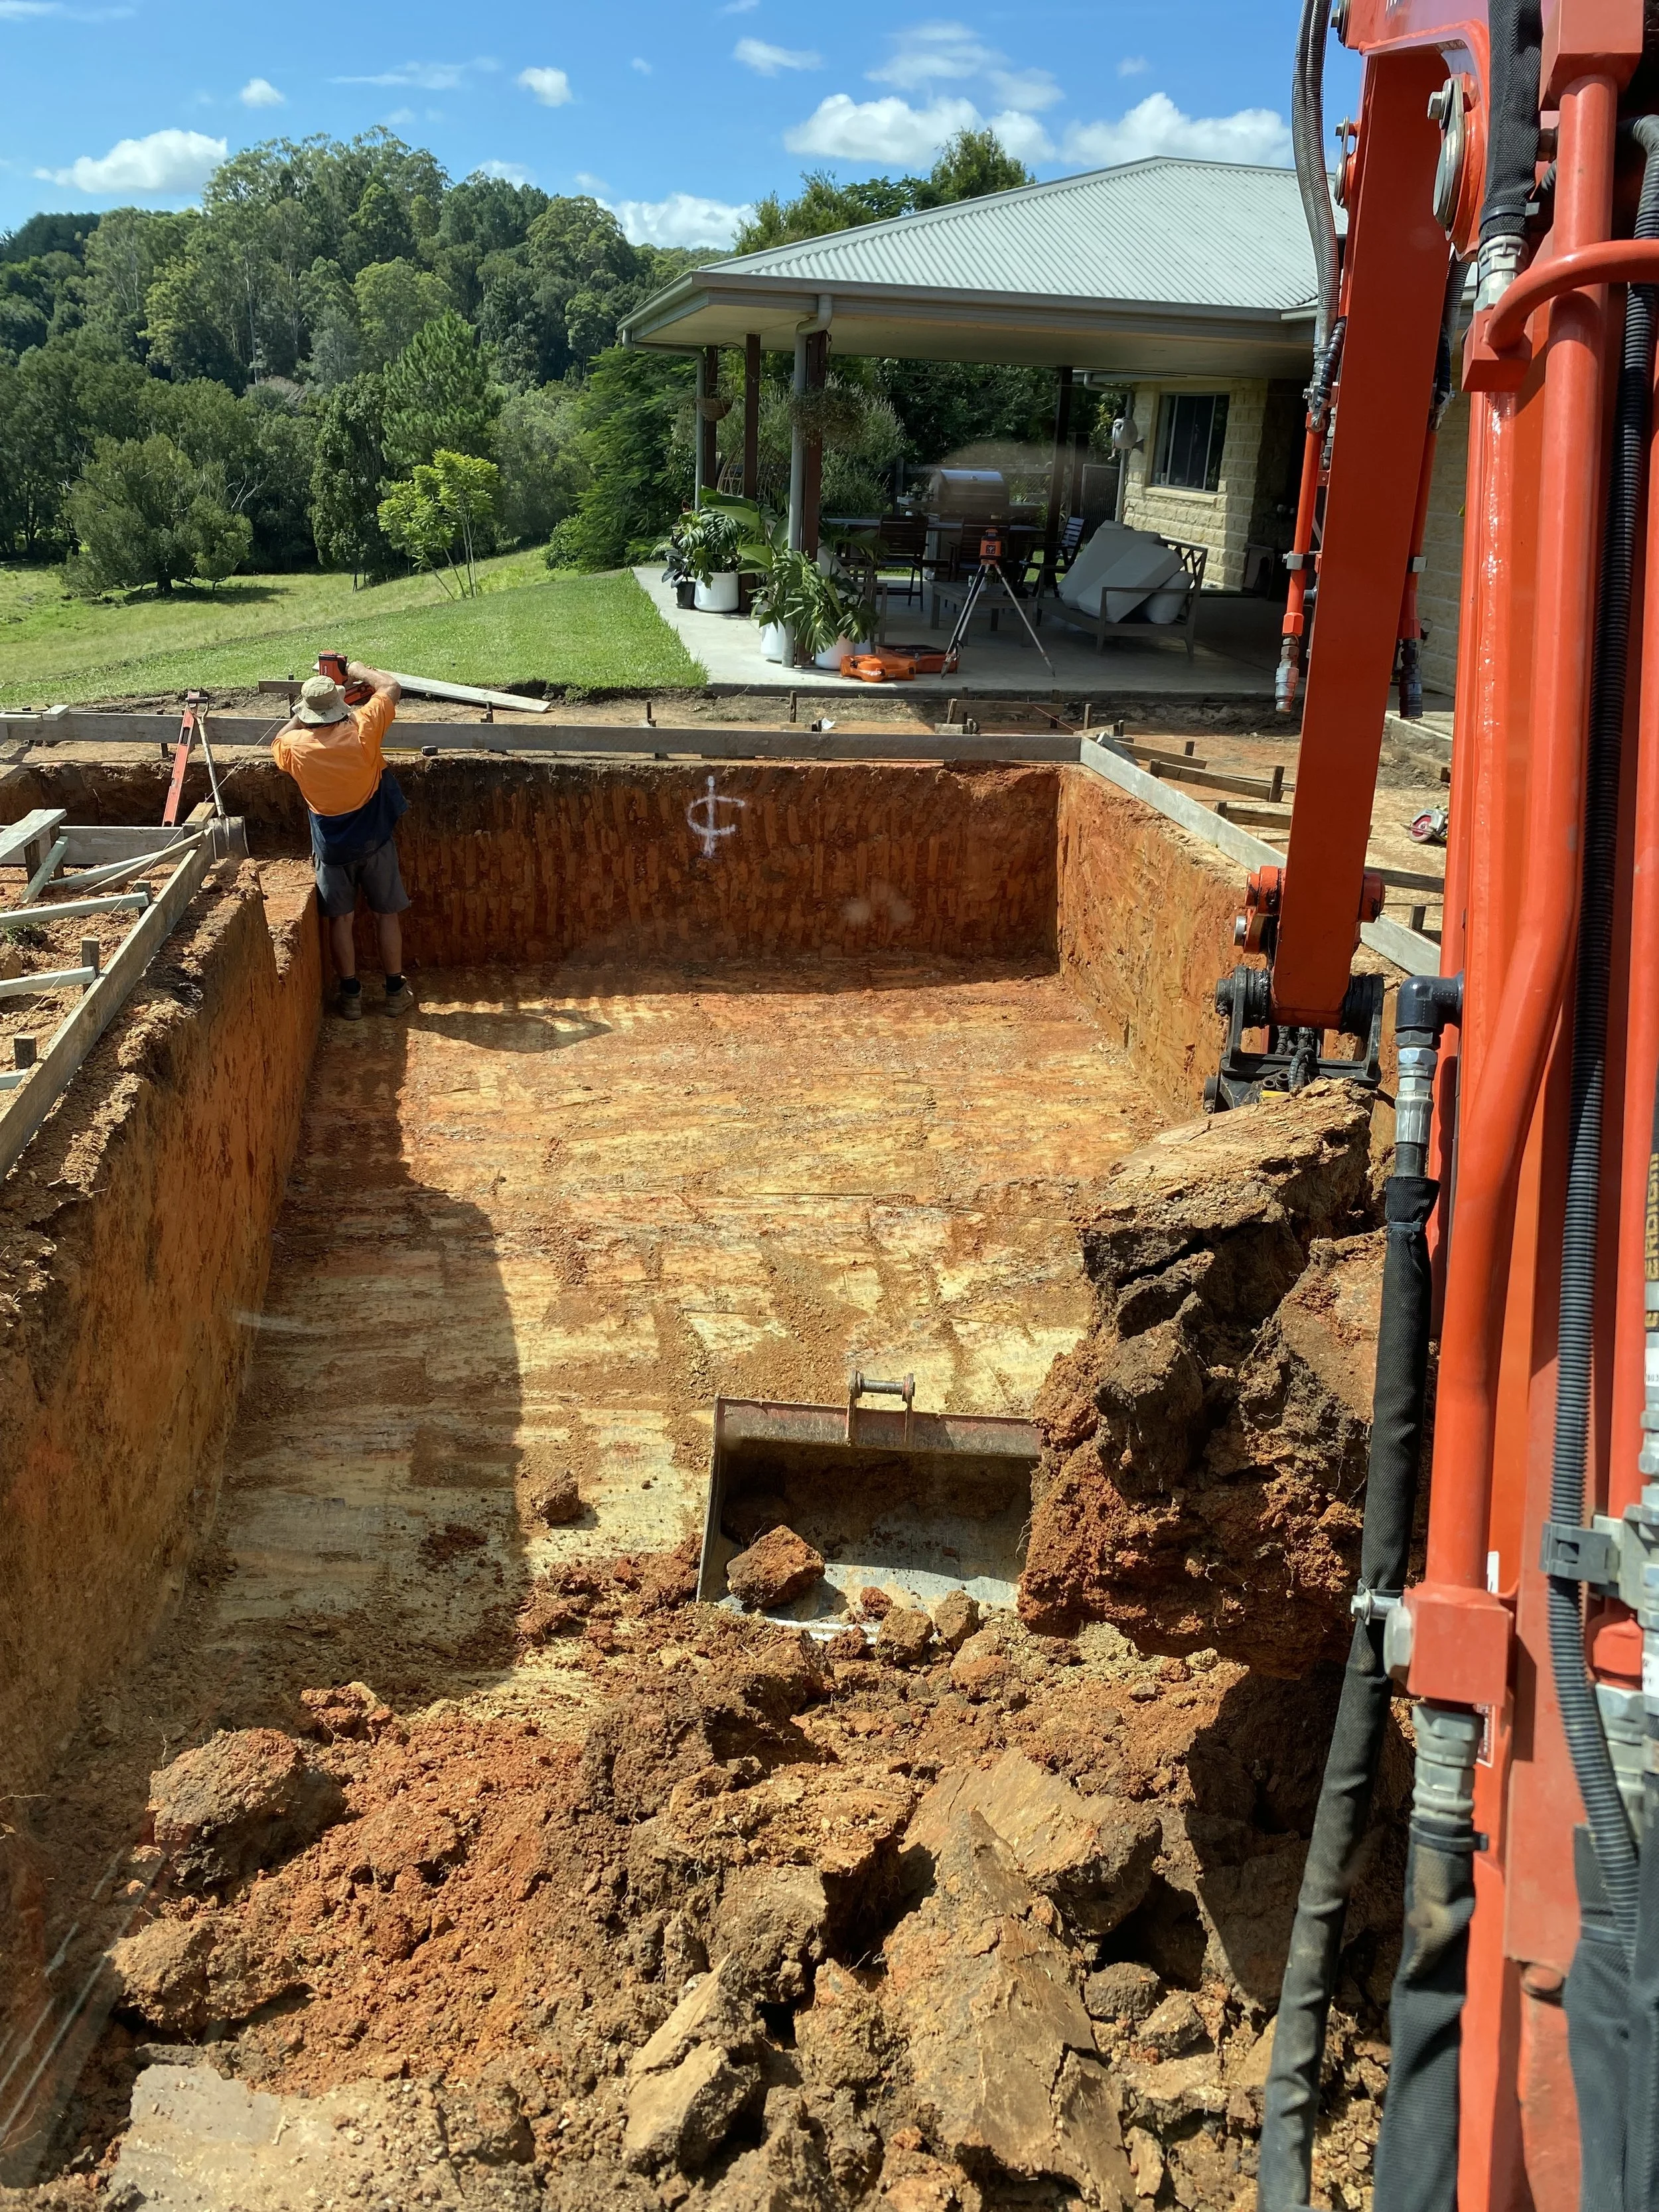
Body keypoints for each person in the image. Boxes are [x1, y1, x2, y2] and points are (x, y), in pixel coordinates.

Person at [273, 661, 415, 1020]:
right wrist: (357, 668)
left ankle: (351, 997)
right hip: (375, 839)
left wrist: (306, 712)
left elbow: (279, 738)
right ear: (339, 707)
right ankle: (395, 992)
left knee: (342, 920)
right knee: (386, 916)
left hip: (332, 849)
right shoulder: (363, 731)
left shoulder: (295, 748)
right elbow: (391, 687)